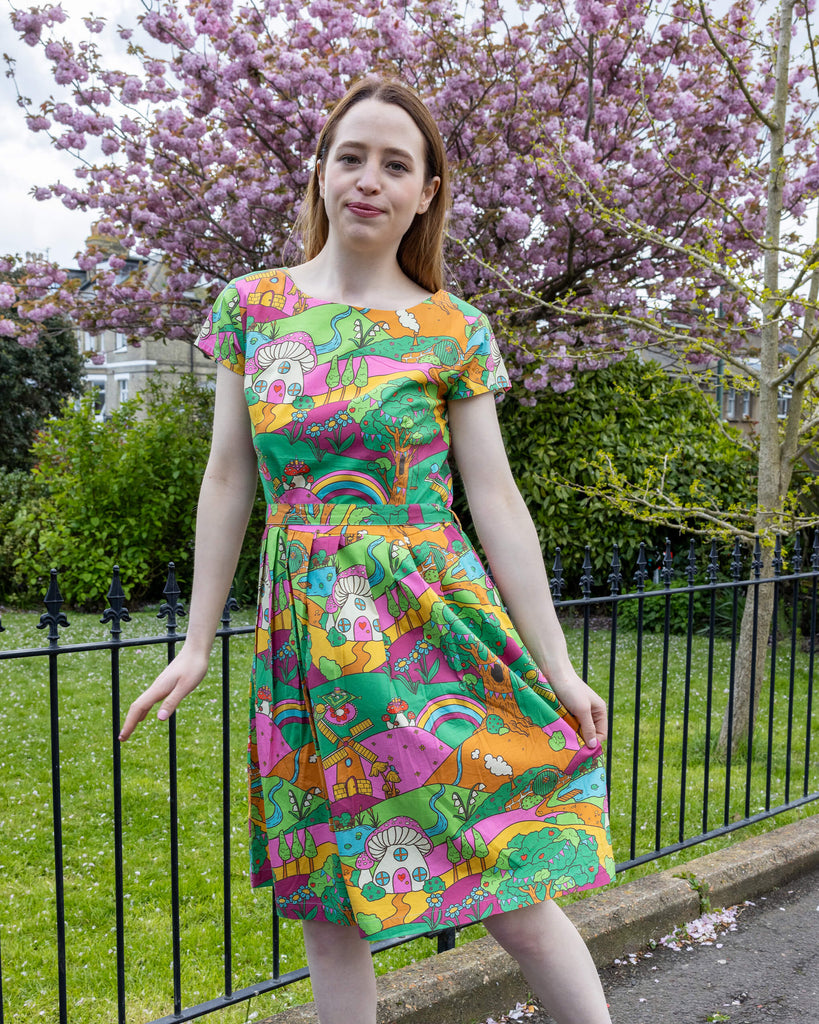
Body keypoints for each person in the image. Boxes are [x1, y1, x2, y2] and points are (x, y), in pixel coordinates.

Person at [120, 77, 614, 1024]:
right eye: (352, 156)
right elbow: (229, 479)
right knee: (329, 900)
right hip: (307, 638)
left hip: (435, 627)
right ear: (320, 171)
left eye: (396, 165)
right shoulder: (251, 309)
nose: (369, 180)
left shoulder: (452, 329)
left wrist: (554, 660)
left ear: (426, 193)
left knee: (506, 877)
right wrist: (194, 642)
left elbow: (495, 498)